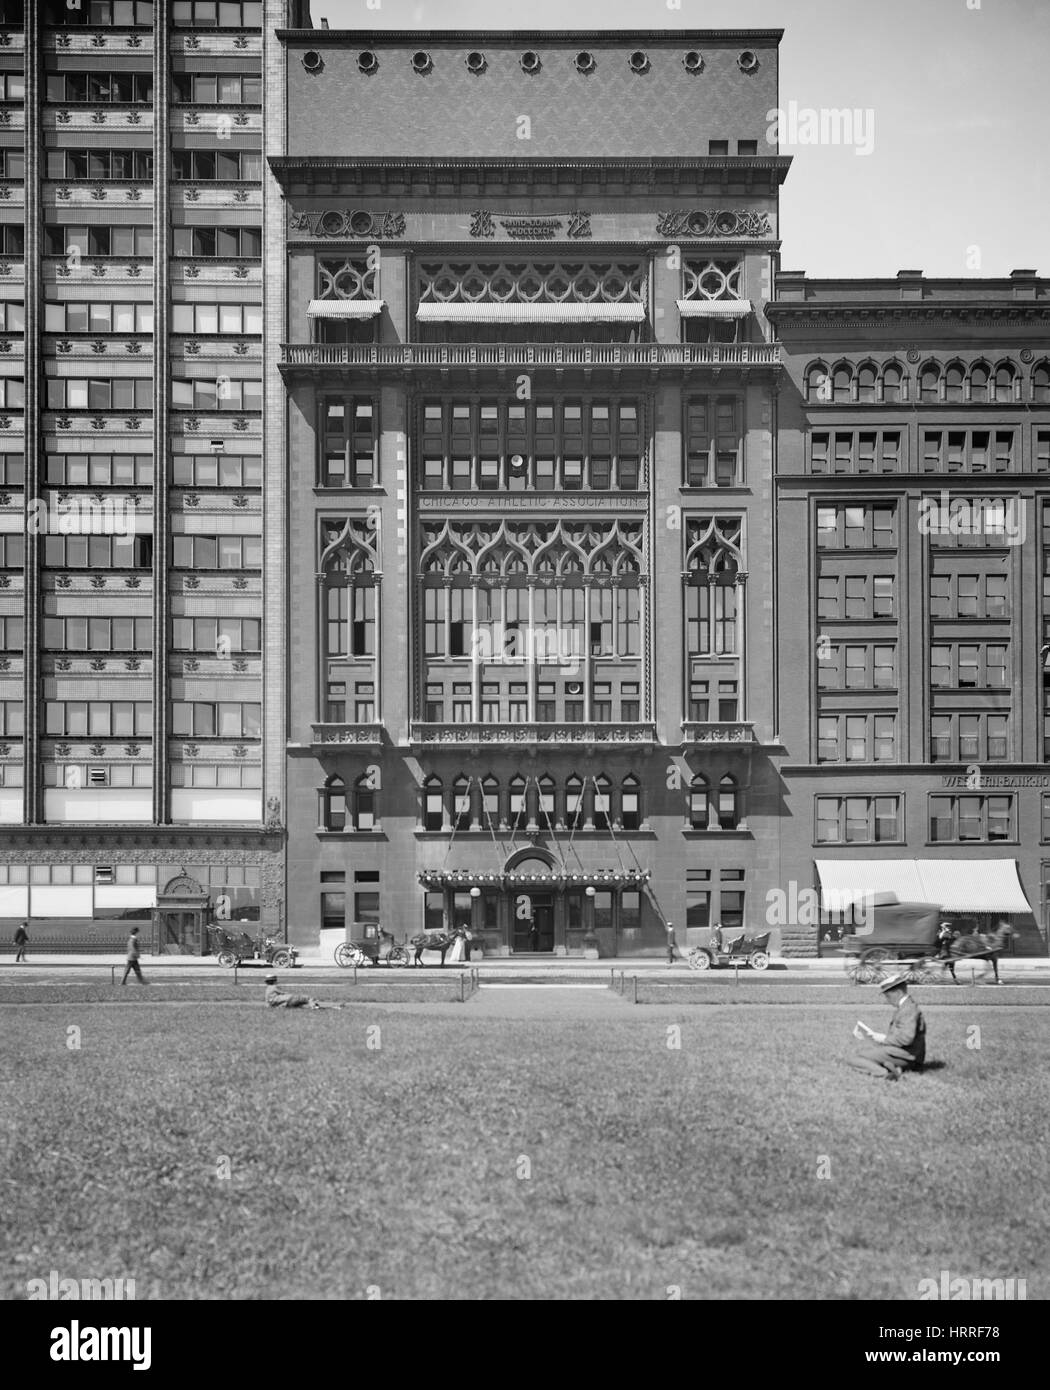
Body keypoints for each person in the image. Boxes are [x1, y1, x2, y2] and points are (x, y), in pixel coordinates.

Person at [846, 973, 926, 1081]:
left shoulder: (908, 1010)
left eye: (888, 996)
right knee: (868, 1054)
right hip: (905, 1054)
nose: (887, 1000)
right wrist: (874, 1038)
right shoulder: (907, 1007)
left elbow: (906, 1039)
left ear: (898, 993)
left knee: (854, 1058)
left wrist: (882, 1038)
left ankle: (885, 1074)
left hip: (907, 1056)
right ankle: (892, 1067)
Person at [263, 974, 343, 1010]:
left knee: (303, 1006)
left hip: (284, 1004)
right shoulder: (274, 987)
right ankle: (331, 1006)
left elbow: (268, 1004)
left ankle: (333, 1007)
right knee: (308, 998)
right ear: (274, 981)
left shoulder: (267, 991)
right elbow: (284, 993)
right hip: (290, 999)